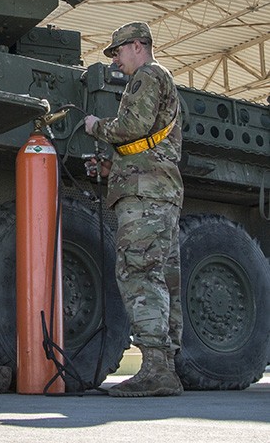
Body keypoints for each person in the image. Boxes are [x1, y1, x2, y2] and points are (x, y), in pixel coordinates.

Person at [83, 22, 184, 397]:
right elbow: (153, 142)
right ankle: (168, 367)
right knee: (163, 277)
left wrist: (96, 127)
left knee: (138, 273)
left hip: (145, 196)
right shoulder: (164, 82)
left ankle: (157, 369)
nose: (116, 61)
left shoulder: (147, 76)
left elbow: (133, 126)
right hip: (160, 190)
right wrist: (113, 168)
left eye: (118, 52)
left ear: (138, 46)